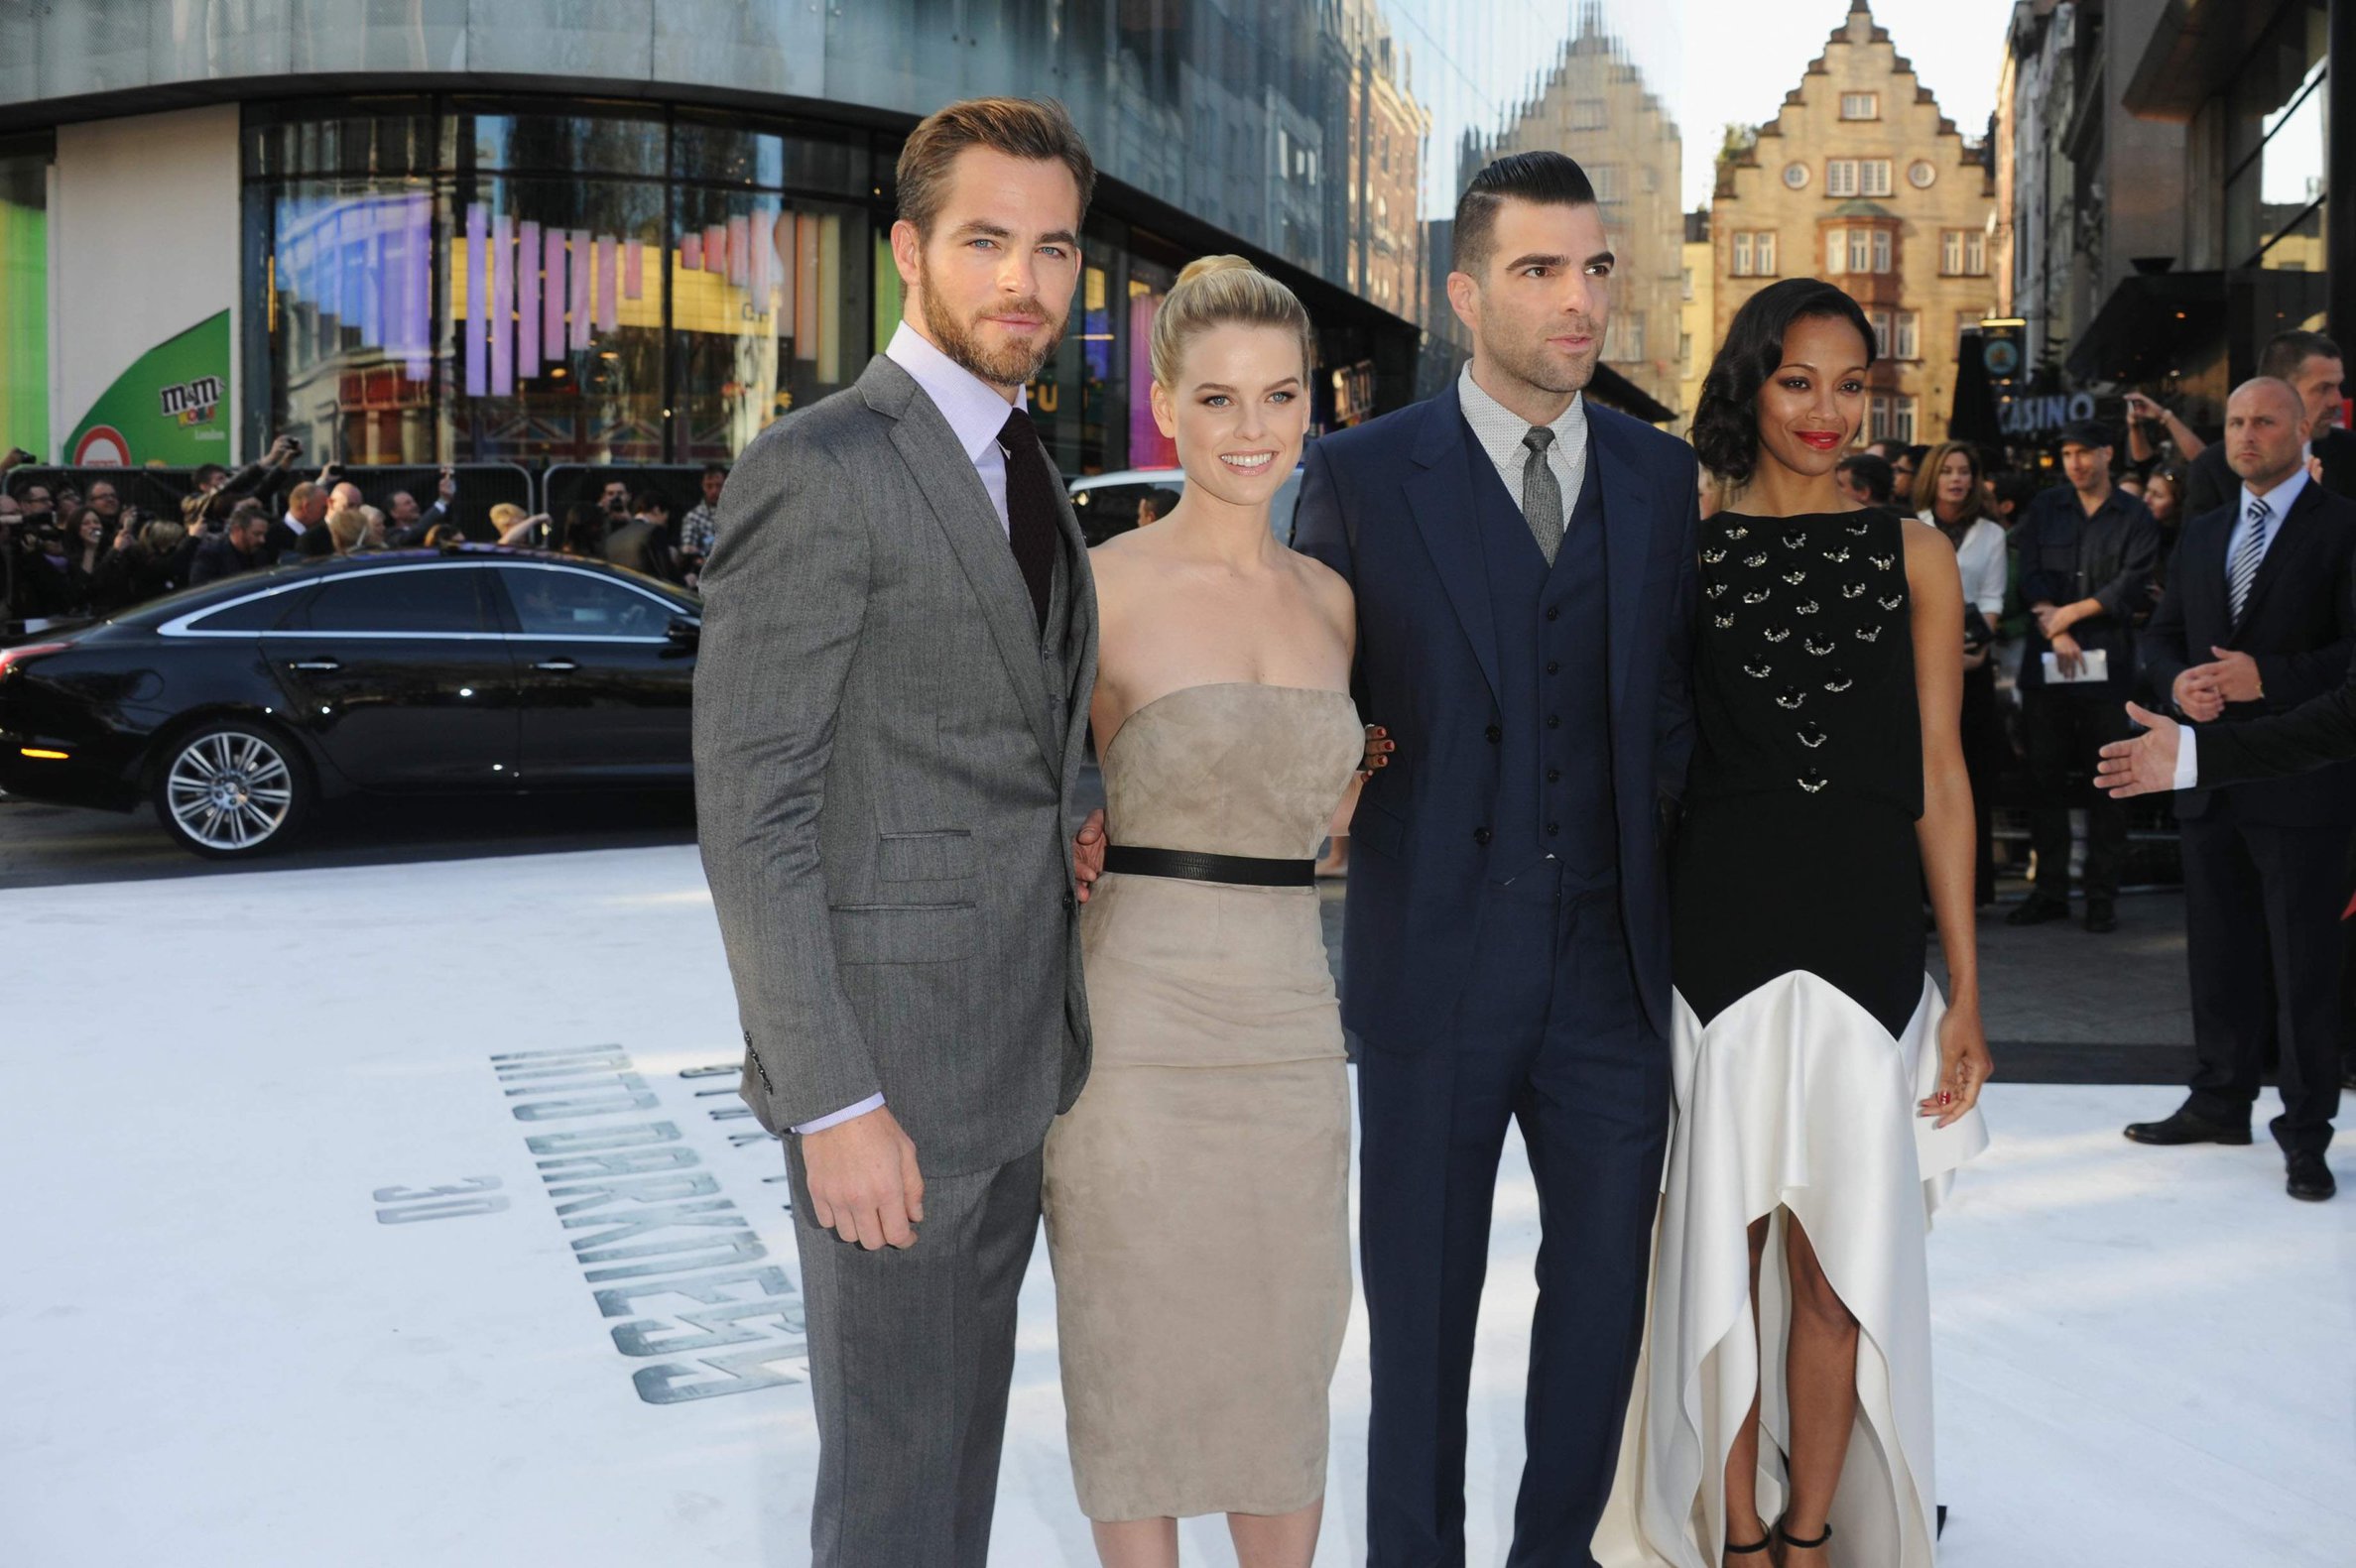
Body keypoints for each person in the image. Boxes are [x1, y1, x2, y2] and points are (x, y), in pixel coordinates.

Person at [692, 96, 1100, 1568]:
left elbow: (1016, 708)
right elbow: (753, 813)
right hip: (889, 1089)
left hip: (1011, 1062)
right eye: (985, 242)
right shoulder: (821, 466)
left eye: (1052, 248)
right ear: (907, 253)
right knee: (893, 1503)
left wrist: (1076, 806)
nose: (1024, 283)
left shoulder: (1020, 459)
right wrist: (831, 1102)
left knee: (951, 1476)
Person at [1294, 149, 1701, 1566]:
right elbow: (1302, 699)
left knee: (1599, 1311)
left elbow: (1673, 716)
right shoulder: (1356, 474)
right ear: (1464, 293)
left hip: (1607, 977)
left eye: (1593, 267)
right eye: (1538, 270)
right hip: (1431, 972)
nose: (1577, 299)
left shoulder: (1658, 475)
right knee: (1416, 1323)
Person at [1597, 277, 1990, 1568]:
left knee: (1835, 1274)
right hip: (1717, 945)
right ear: (1749, 384)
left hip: (1866, 948)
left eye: (1849, 384)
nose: (1825, 411)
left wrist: (1966, 990)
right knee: (1721, 1259)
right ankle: (1735, 1533)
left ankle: (1809, 1539)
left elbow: (1939, 775)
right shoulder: (1684, 550)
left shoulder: (1915, 553)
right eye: (1796, 381)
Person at [1044, 255, 1366, 1568]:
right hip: (1135, 1038)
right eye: (1219, 398)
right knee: (1130, 1365)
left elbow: (1330, 801)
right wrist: (1065, 838)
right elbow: (1009, 780)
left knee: (1284, 1370)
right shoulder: (1098, 586)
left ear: (1308, 408)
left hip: (1290, 1034)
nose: (1252, 429)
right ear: (1166, 407)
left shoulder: (1333, 602)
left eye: (1278, 396)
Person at [2122, 377, 2356, 1202]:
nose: (2245, 435)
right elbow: (2159, 636)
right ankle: (2219, 1100)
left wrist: (2270, 677)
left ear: (2302, 430)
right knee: (2217, 953)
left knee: (2304, 969)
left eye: (2262, 421)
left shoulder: (2343, 527)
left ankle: (2306, 1133)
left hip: (2304, 784)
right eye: (2233, 422)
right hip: (2207, 776)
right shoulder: (2203, 530)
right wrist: (2176, 682)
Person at [2006, 419, 2161, 932]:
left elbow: (2131, 584)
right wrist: (2055, 627)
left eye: (2084, 452)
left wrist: (2068, 616)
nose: (2075, 463)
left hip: (2109, 666)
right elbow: (2028, 573)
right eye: (2068, 453)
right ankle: (2049, 891)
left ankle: (2101, 896)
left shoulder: (2135, 515)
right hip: (2048, 662)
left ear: (2107, 454)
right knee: (2044, 781)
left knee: (2109, 784)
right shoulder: (2046, 507)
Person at [1917, 440, 2008, 905]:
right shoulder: (1913, 526)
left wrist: (1976, 648)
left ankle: (1972, 891)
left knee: (1970, 777)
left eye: (1964, 471)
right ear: (1933, 476)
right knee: (1923, 776)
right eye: (1948, 470)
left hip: (1973, 664)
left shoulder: (1991, 534)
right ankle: (1923, 892)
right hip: (1919, 669)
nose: (1957, 479)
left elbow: (1992, 598)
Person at [2183, 331, 2356, 517]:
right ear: (2278, 390)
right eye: (2323, 388)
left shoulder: (2349, 453)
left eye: (2338, 386)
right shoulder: (2213, 470)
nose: (2337, 401)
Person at [189, 502, 271, 584]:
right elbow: (201, 587)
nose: (262, 540)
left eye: (263, 534)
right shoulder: (211, 556)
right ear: (237, 530)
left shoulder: (261, 554)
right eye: (256, 534)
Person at [602, 493, 679, 580]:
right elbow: (666, 572)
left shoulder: (612, 538)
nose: (665, 521)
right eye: (666, 515)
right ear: (656, 510)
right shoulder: (654, 531)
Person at [270, 480, 330, 560]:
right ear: (307, 507)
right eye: (324, 508)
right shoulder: (272, 537)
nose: (327, 512)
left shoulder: (323, 534)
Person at [680, 463, 726, 564]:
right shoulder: (693, 517)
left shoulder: (738, 513)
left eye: (719, 486)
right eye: (709, 486)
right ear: (703, 486)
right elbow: (688, 550)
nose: (714, 491)